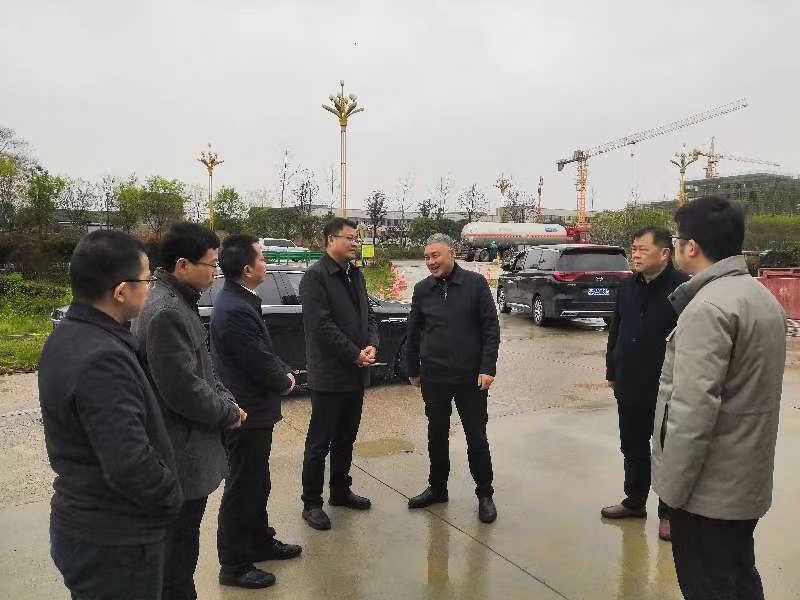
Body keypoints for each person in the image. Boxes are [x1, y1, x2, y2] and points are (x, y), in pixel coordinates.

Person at [652, 196, 786, 600]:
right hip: (744, 482)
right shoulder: (760, 297)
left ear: (690, 246)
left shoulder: (708, 308)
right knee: (739, 579)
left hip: (708, 494)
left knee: (710, 586)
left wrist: (672, 493)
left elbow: (692, 412)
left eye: (677, 240)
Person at [39, 230, 183, 600]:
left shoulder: (67, 335)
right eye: (147, 280)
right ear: (121, 291)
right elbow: (129, 464)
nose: (150, 287)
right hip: (114, 542)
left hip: (86, 526)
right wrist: (170, 498)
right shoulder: (102, 358)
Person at [131, 222, 246, 600]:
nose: (215, 273)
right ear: (182, 265)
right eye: (211, 264)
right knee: (176, 563)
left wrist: (226, 398)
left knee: (180, 554)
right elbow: (182, 390)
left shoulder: (177, 301)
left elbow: (203, 368)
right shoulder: (166, 310)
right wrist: (227, 413)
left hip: (182, 450)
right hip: (178, 455)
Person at [211, 234, 301, 589]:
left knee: (257, 482)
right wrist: (284, 381)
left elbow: (265, 350)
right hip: (245, 413)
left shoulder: (242, 299)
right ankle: (233, 564)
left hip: (256, 411)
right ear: (248, 269)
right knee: (242, 487)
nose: (266, 263)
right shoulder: (234, 308)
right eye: (262, 258)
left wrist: (283, 371)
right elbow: (258, 361)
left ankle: (260, 542)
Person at [406, 233, 501, 523]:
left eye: (435, 255)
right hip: (434, 377)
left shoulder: (475, 284)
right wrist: (412, 369)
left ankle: (485, 494)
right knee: (436, 436)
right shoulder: (423, 289)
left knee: (476, 437)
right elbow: (413, 332)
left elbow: (490, 329)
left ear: (452, 253)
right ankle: (437, 488)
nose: (430, 262)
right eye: (427, 257)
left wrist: (488, 367)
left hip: (470, 378)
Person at [602, 226, 688, 541]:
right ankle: (635, 500)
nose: (635, 255)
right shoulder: (627, 287)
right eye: (634, 249)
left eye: (642, 249)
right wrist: (612, 368)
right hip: (629, 381)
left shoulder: (683, 289)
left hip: (667, 386)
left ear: (664, 253)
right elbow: (616, 330)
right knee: (632, 446)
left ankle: (669, 513)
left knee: (667, 450)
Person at [299, 217, 379, 531]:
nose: (355, 243)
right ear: (331, 239)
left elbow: (369, 314)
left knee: (346, 438)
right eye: (349, 237)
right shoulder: (315, 278)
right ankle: (311, 503)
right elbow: (321, 327)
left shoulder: (354, 274)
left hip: (356, 375)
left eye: (356, 238)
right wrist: (354, 354)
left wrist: (371, 345)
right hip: (330, 376)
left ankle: (340, 491)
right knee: (320, 442)